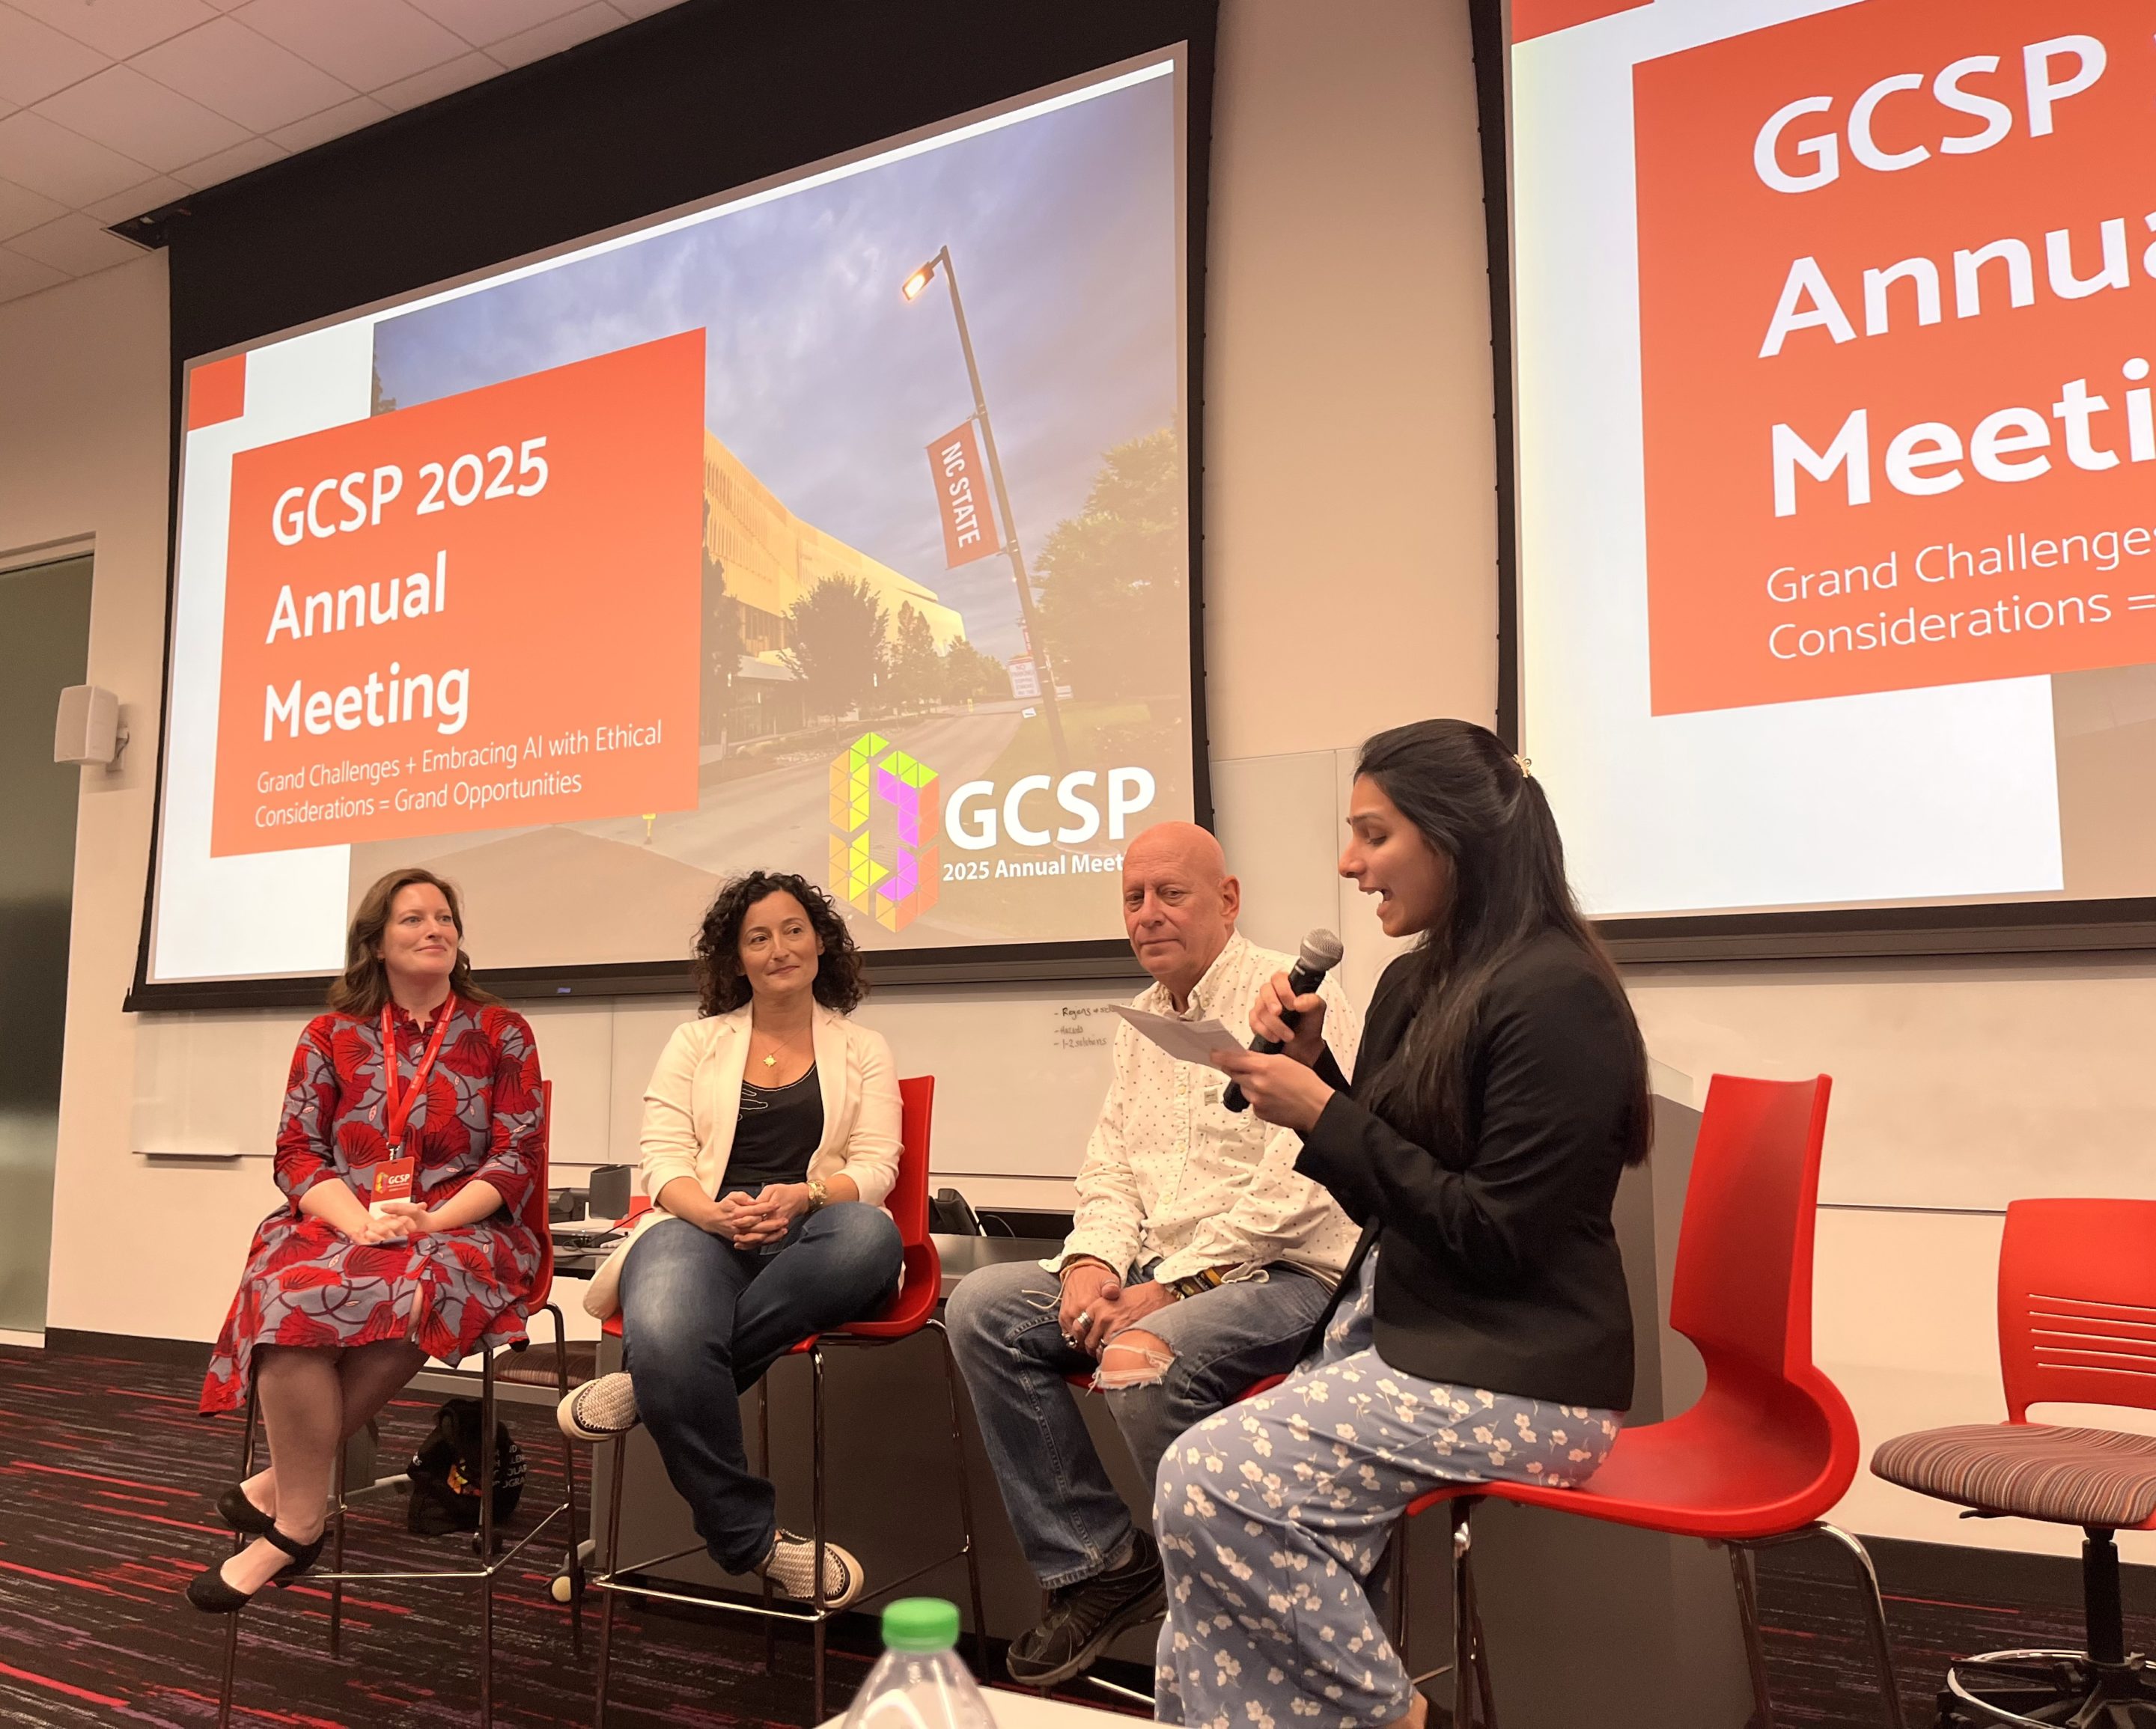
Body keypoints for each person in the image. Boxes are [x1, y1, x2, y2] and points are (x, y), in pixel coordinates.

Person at [1151, 719, 1652, 1729]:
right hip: (1411, 1338)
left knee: (1206, 1483)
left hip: (1519, 1371)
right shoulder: (1421, 980)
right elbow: (1392, 1186)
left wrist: (1325, 1113)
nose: (1350, 863)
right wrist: (1318, 1074)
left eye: (1373, 834)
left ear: (1455, 836)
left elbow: (1496, 1233)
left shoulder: (1558, 995)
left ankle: (1403, 1718)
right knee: (1212, 1589)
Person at [946, 820, 1364, 1689]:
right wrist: (1095, 1264)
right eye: (1134, 898)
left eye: (1171, 893)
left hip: (1286, 1275)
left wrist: (1174, 1286)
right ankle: (1102, 1566)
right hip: (1161, 1274)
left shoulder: (1292, 1001)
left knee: (1141, 1360)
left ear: (1229, 899)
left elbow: (1303, 1187)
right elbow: (1113, 1172)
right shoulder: (1140, 1023)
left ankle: (1237, 1597)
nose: (1148, 914)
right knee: (984, 1308)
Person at [191, 867, 548, 1612]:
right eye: (413, 919)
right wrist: (358, 1221)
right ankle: (301, 1510)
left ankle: (289, 1519)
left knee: (420, 1284)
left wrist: (428, 1220)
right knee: (286, 1295)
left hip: (463, 1226)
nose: (435, 930)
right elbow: (297, 1153)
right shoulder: (330, 1034)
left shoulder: (500, 1032)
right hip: (342, 1218)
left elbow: (515, 1158)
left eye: (445, 917)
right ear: (376, 942)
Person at [558, 871, 904, 1609]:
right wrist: (714, 1215)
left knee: (871, 1237)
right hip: (701, 1229)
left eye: (793, 930)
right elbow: (665, 1161)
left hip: (815, 1231)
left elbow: (876, 1169)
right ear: (735, 958)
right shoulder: (696, 1043)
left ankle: (649, 1390)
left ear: (820, 941)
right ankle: (753, 1543)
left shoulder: (863, 1047)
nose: (779, 948)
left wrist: (802, 1196)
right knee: (670, 1320)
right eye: (758, 937)